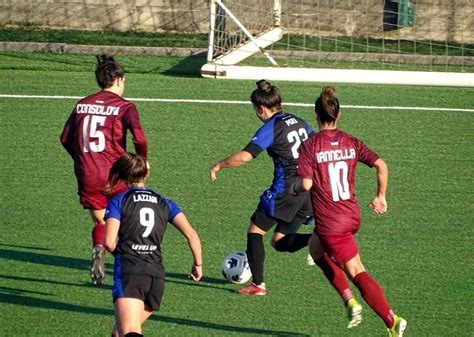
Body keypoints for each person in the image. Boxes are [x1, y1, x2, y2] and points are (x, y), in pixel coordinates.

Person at [292, 86, 407, 336]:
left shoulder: (310, 146)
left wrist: (293, 187)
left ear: (316, 115)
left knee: (356, 270)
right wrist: (380, 196)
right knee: (315, 249)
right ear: (338, 115)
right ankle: (349, 301)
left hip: (332, 223)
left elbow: (306, 184)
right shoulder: (351, 141)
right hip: (351, 215)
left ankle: (392, 321)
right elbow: (380, 164)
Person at [209, 80, 314, 295]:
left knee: (255, 231)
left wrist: (220, 164)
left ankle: (258, 284)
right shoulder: (301, 121)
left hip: (287, 190)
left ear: (261, 108)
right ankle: (318, 239)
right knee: (279, 241)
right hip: (310, 189)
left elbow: (246, 156)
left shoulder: (271, 127)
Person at [60, 54, 148, 285]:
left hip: (87, 174)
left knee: (102, 223)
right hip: (117, 173)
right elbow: (139, 138)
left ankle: (99, 247)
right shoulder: (125, 106)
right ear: (119, 79)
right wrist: (142, 161)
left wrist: (83, 158)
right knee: (125, 221)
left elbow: (65, 138)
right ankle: (128, 266)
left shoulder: (82, 103)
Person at [104, 152, 203, 337]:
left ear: (124, 175)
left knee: (131, 331)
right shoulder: (165, 202)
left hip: (131, 273)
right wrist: (198, 264)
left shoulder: (119, 201)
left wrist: (124, 254)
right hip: (156, 276)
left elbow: (109, 242)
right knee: (119, 332)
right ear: (147, 174)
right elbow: (192, 234)